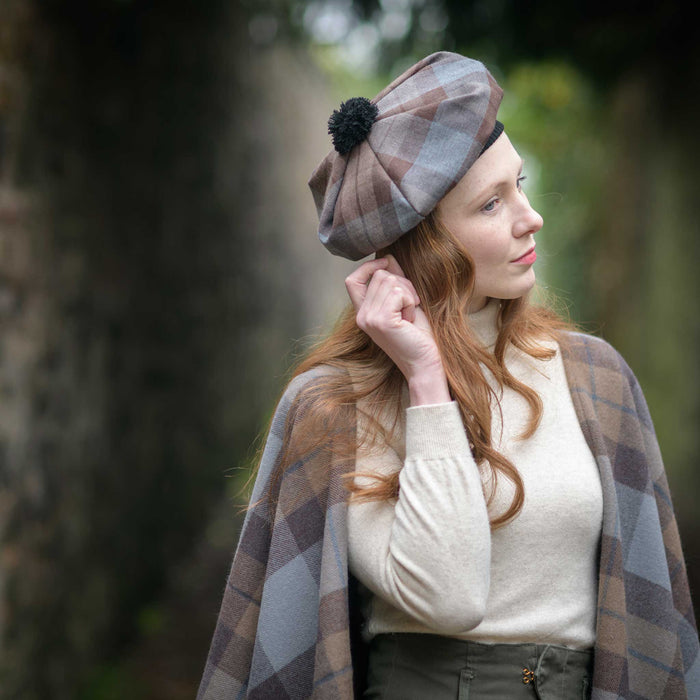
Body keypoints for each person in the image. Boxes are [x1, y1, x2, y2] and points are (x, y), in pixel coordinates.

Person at [197, 52, 699, 700]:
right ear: (426, 242)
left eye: (519, 183)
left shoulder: (597, 378)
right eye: (492, 204)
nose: (529, 216)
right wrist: (426, 380)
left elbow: (656, 625)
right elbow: (449, 597)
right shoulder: (338, 407)